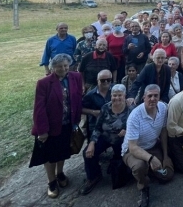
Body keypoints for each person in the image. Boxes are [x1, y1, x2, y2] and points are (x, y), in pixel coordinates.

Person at [29, 54, 82, 198]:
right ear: (53, 67)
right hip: (50, 128)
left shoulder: (76, 77)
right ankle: (51, 181)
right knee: (49, 155)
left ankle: (60, 173)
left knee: (62, 152)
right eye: (59, 66)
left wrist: (76, 121)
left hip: (67, 124)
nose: (63, 69)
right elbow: (39, 109)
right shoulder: (44, 83)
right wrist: (42, 130)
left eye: (65, 65)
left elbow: (78, 98)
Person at [122, 84, 174, 207]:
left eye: (156, 96)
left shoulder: (163, 108)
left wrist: (165, 155)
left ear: (159, 97)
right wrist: (151, 158)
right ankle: (143, 187)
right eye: (149, 96)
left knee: (167, 176)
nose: (153, 99)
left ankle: (148, 170)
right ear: (143, 97)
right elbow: (133, 147)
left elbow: (163, 132)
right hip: (132, 150)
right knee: (140, 166)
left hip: (152, 146)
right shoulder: (135, 116)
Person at [80, 84, 132, 195]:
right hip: (106, 137)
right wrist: (92, 143)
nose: (117, 98)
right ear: (111, 96)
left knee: (121, 159)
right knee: (88, 153)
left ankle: (118, 167)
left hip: (121, 140)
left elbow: (136, 127)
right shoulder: (105, 108)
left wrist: (127, 131)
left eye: (120, 95)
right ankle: (94, 176)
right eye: (114, 95)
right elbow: (97, 128)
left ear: (125, 96)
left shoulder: (130, 109)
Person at [82, 70, 113, 139]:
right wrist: (93, 112)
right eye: (102, 80)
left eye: (108, 80)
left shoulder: (115, 91)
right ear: (97, 81)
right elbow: (81, 109)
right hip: (95, 126)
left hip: (112, 126)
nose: (106, 82)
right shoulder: (90, 95)